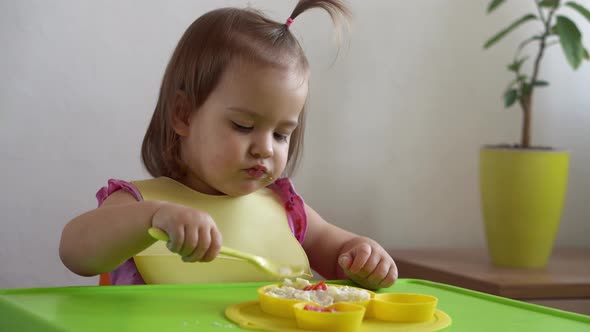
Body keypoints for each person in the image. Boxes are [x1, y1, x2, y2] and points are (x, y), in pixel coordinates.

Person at [59, 0, 397, 290]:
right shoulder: (139, 204)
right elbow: (75, 252)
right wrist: (152, 218)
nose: (265, 148)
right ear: (184, 115)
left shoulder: (284, 209)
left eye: (281, 134)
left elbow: (340, 254)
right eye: (243, 126)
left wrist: (362, 255)